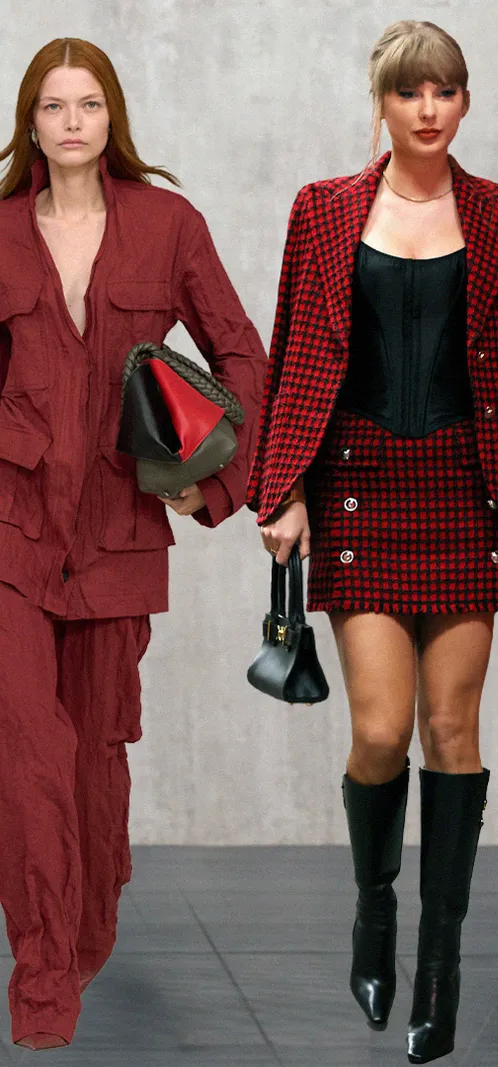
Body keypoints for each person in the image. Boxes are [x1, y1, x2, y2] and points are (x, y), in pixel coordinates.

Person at [248, 19, 498, 1064]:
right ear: (382, 103)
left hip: (469, 493)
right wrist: (282, 487)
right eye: (409, 92)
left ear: (464, 101)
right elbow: (295, 351)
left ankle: (440, 968)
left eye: (444, 91)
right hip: (358, 493)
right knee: (382, 730)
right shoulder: (322, 209)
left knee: (451, 727)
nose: (428, 109)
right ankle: (373, 908)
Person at [0, 38, 266, 1050]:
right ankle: (41, 979)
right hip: (12, 526)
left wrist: (217, 484)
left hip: (117, 534)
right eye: (53, 105)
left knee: (91, 760)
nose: (71, 121)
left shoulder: (167, 224)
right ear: (30, 124)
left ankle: (83, 923)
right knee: (24, 750)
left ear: (111, 117)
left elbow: (241, 352)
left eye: (88, 104)